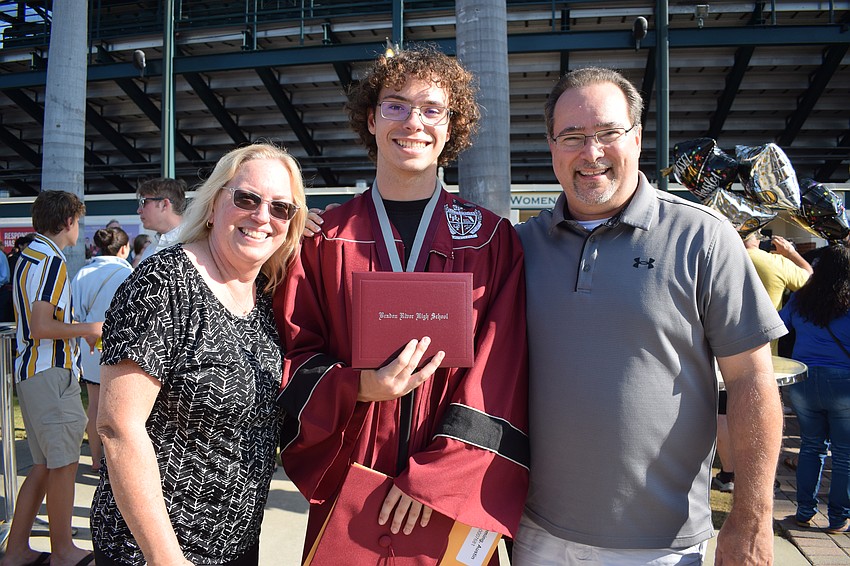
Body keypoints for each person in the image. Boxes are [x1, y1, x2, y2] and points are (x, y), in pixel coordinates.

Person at [512, 67, 786, 565]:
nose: (591, 153)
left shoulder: (702, 238)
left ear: (637, 138)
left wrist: (752, 515)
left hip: (660, 546)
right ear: (551, 146)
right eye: (572, 136)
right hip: (536, 535)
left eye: (608, 133)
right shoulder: (520, 247)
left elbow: (751, 380)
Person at [276, 46, 529, 563]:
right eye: (395, 105)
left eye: (431, 109)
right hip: (353, 477)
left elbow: (503, 368)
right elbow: (293, 350)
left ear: (451, 125)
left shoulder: (489, 239)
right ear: (371, 119)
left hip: (453, 493)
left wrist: (440, 476)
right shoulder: (325, 239)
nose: (413, 122)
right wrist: (358, 385)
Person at [90, 143, 306, 566]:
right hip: (151, 551)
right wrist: (165, 558)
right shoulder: (164, 282)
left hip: (237, 546)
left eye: (282, 209)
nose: (263, 216)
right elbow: (117, 426)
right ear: (211, 206)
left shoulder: (263, 298)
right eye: (246, 199)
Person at [3, 191, 100, 566]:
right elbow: (43, 326)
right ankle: (63, 551)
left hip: (32, 374)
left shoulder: (29, 256)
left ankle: (17, 551)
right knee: (62, 465)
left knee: (44, 466)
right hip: (50, 375)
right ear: (69, 222)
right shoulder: (50, 260)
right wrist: (90, 327)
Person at [712, 229, 813, 493]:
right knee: (760, 411)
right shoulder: (774, 263)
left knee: (722, 412)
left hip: (717, 350)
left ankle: (728, 473)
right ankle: (758, 477)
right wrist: (791, 253)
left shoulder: (717, 255)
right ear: (757, 236)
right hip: (764, 353)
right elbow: (810, 281)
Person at [780, 243, 850, 533]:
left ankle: (804, 511)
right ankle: (838, 518)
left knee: (811, 446)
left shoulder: (801, 298)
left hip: (803, 379)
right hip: (843, 382)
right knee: (845, 454)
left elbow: (779, 324)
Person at [70, 227, 133, 472]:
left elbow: (74, 311)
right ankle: (114, 463)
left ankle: (96, 459)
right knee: (119, 407)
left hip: (90, 344)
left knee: (94, 404)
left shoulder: (83, 272)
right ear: (124, 248)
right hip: (118, 345)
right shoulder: (128, 273)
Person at [135, 177, 186, 264]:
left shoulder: (193, 244)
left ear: (164, 204)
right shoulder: (151, 248)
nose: (139, 210)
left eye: (144, 202)